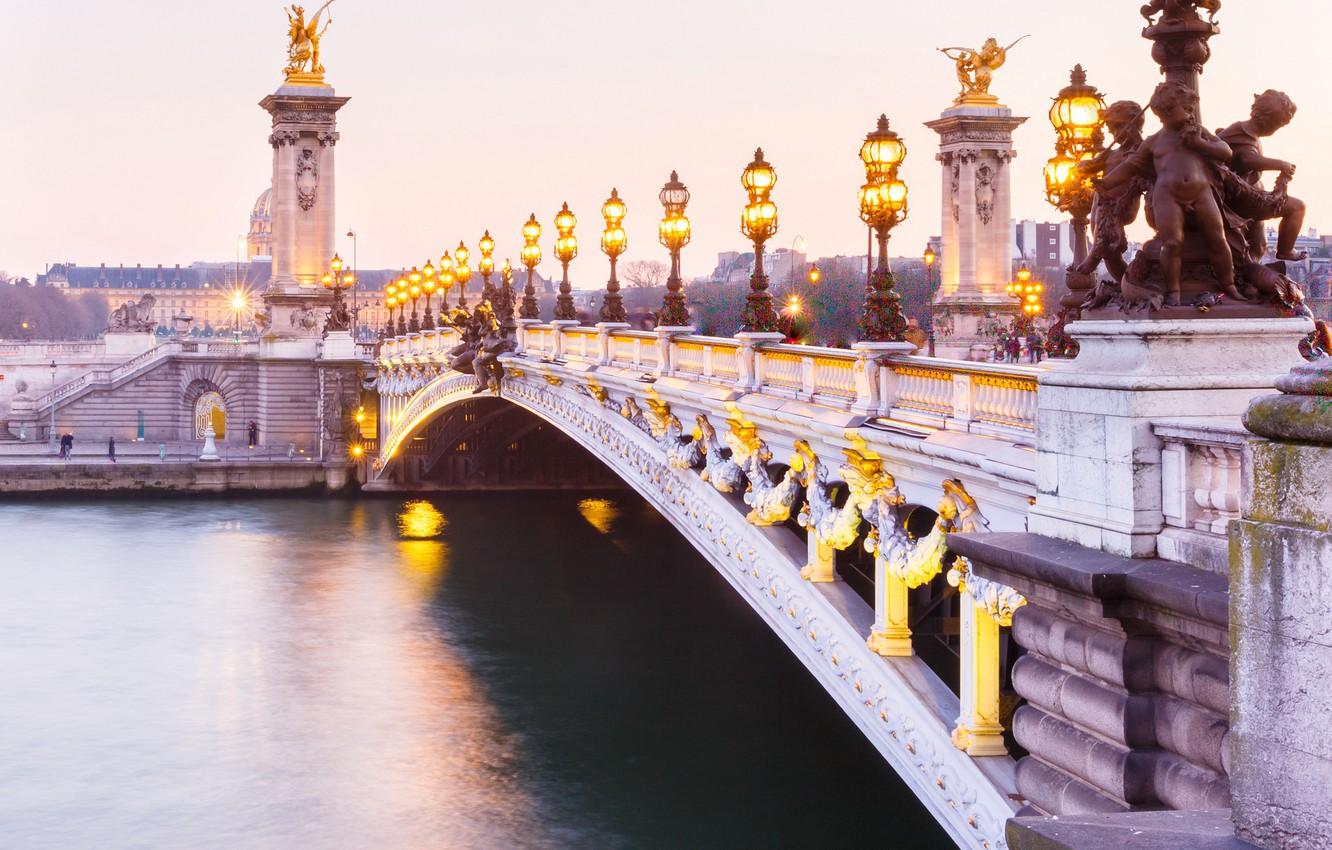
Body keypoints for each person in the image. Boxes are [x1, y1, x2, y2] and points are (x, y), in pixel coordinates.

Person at [1101, 80, 1239, 306]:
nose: (1189, 114)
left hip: (1201, 192)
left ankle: (1229, 284)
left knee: (1217, 238)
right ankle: (1173, 290)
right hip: (1167, 196)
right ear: (1164, 112)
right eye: (1184, 109)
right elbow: (1130, 166)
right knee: (1172, 243)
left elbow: (1225, 151)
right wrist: (1105, 182)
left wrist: (1200, 144)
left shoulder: (1198, 133)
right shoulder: (1154, 141)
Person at [1217, 89, 1306, 263]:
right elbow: (1248, 159)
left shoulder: (1242, 130)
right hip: (1240, 200)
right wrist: (1281, 164)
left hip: (1247, 196)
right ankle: (1285, 250)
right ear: (1269, 121)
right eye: (1278, 125)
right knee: (1297, 207)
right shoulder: (1243, 134)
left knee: (1259, 244)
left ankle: (1249, 270)